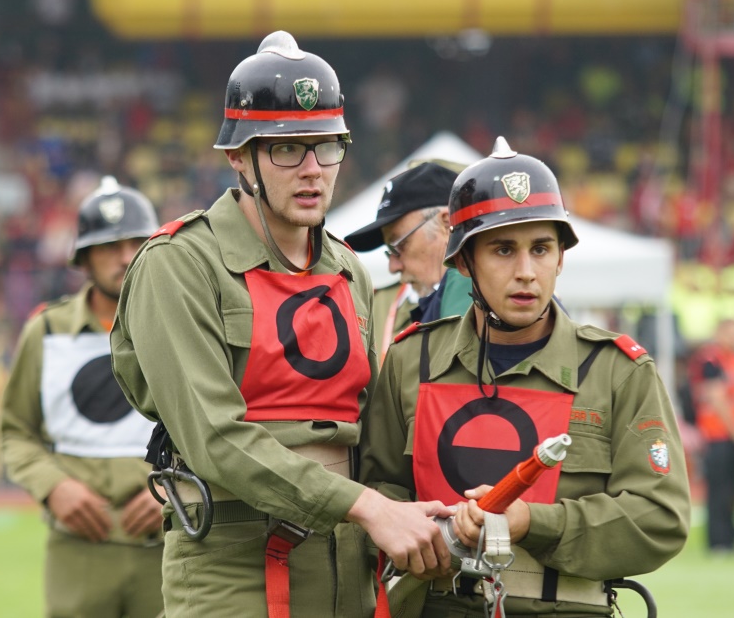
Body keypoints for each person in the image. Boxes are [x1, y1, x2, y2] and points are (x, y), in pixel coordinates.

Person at [111, 30, 454, 618]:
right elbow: (215, 437)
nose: (313, 170)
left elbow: (373, 428)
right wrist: (370, 508)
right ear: (238, 157)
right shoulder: (179, 264)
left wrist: (423, 511)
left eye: (327, 147)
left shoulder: (348, 268)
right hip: (233, 565)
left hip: (348, 565)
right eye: (287, 149)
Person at [361, 137, 691, 616]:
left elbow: (660, 518)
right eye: (502, 250)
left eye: (541, 249)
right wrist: (423, 532)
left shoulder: (619, 372)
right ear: (463, 262)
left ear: (561, 258)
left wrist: (533, 523)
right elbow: (374, 494)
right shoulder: (411, 360)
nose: (526, 272)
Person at [0, 176, 165, 618]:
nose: (125, 257)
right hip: (79, 546)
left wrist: (176, 489)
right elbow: (15, 433)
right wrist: (54, 488)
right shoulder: (46, 332)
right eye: (109, 246)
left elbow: (222, 425)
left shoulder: (184, 326)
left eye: (136, 243)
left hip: (170, 538)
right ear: (85, 258)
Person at [345, 161, 473, 361]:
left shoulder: (485, 300)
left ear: (447, 223)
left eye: (398, 246)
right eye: (389, 251)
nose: (393, 267)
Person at [689, 317, 734, 554]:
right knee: (719, 491)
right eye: (732, 334)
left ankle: (731, 539)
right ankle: (718, 542)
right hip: (718, 436)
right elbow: (718, 399)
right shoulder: (711, 359)